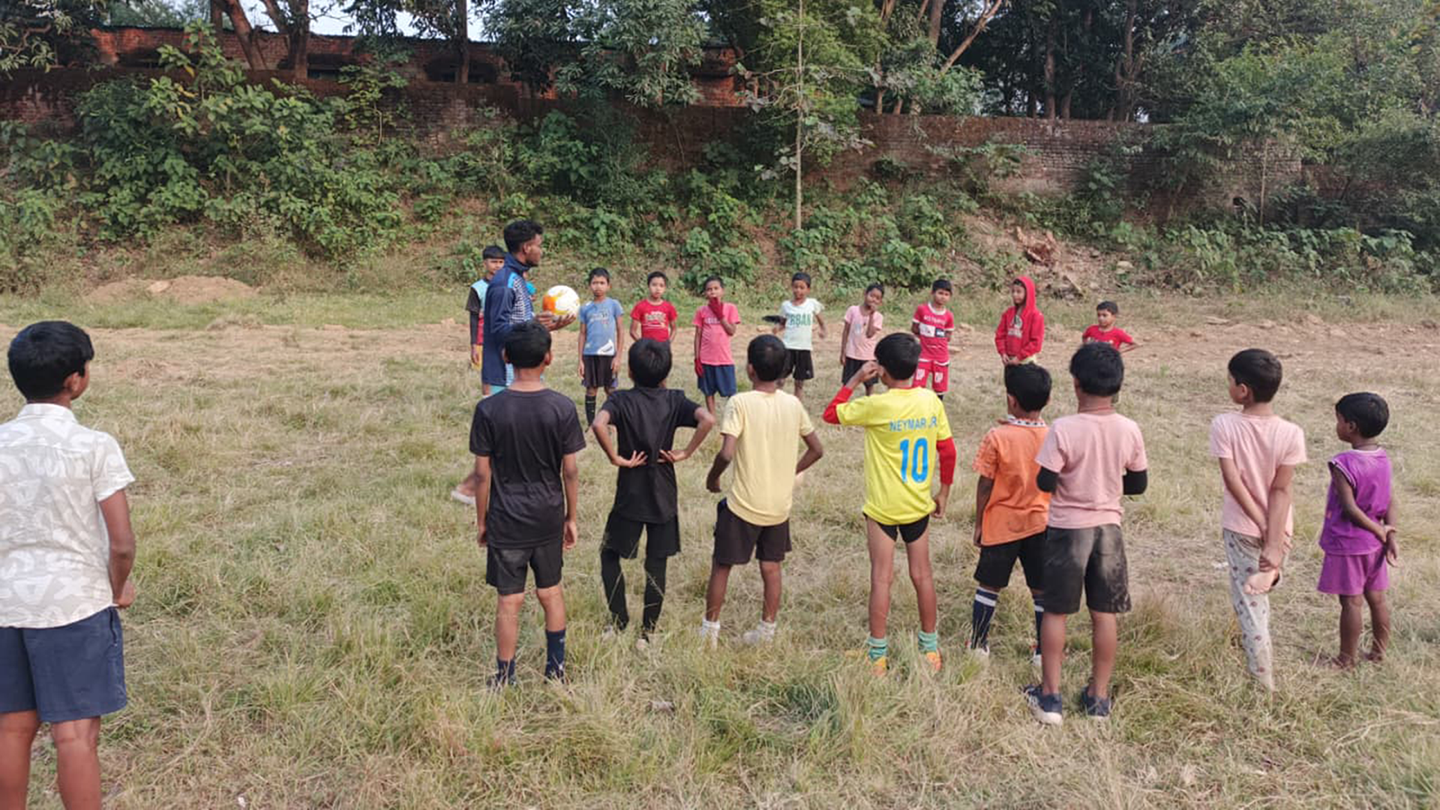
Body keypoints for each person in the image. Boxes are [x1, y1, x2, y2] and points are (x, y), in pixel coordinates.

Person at [1, 321, 137, 810]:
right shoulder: (94, 446)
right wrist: (116, 587)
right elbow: (121, 543)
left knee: (12, 729)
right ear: (76, 380)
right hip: (75, 604)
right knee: (75, 736)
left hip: (6, 604)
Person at [1025, 343, 1147, 724]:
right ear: (1118, 387)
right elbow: (1138, 484)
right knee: (1104, 613)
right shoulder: (1129, 428)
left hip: (1066, 531)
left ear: (1076, 384)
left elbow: (1045, 480)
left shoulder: (1063, 428)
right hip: (1108, 529)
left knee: (1056, 612)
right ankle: (1098, 698)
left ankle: (1050, 697)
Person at [823, 333, 956, 675]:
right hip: (918, 507)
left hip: (882, 509)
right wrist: (943, 492)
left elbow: (830, 414)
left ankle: (877, 657)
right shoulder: (930, 401)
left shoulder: (876, 405)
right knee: (922, 575)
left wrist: (854, 378)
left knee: (881, 579)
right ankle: (930, 651)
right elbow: (948, 450)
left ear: (880, 370)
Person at [470, 321, 586, 687]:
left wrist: (483, 521)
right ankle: (556, 670)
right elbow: (570, 471)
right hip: (549, 515)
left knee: (509, 601)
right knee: (550, 592)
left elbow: (482, 475)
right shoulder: (563, 407)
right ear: (549, 358)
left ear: (505, 357)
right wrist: (572, 517)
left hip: (506, 518)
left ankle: (504, 677)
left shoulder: (489, 409)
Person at [700, 335, 824, 648]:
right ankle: (766, 633)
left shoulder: (739, 402)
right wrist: (790, 470)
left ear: (749, 369)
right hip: (778, 506)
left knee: (722, 565)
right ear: (784, 370)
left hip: (742, 504)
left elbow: (727, 453)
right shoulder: (793, 404)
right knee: (771, 568)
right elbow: (816, 449)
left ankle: (709, 633)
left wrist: (712, 479)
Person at [591, 339, 715, 648]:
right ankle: (648, 632)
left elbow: (597, 423)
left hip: (630, 491)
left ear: (630, 371)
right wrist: (686, 451)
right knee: (657, 563)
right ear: (667, 373)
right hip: (663, 491)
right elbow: (708, 419)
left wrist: (614, 457)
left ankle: (619, 621)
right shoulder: (675, 399)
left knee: (609, 554)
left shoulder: (620, 401)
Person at [1207, 348, 1306, 691]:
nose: (1229, 385)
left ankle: (1263, 684)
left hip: (1241, 528)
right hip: (1281, 526)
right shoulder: (1291, 433)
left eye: (1230, 380)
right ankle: (1273, 569)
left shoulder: (1224, 425)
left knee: (1250, 607)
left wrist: (1260, 525)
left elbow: (1234, 482)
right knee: (1259, 593)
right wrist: (1274, 537)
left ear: (1243, 390)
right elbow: (1281, 490)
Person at [969, 363, 1052, 666]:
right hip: (1041, 523)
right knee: (1041, 590)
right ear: (1048, 400)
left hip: (1001, 524)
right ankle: (1043, 651)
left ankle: (978, 646)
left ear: (1011, 400)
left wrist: (979, 522)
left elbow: (985, 482)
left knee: (988, 586)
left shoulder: (997, 436)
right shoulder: (1053, 435)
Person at [1316, 392, 1395, 669]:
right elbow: (1390, 499)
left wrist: (1377, 529)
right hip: (1376, 544)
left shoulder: (1343, 463)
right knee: (1377, 599)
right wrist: (1388, 532)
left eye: (1338, 420)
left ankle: (1346, 660)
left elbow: (1349, 509)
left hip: (1349, 543)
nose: (1336, 425)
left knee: (1351, 603)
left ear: (1351, 427)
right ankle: (1378, 652)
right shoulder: (1383, 458)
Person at [481, 219, 573, 394]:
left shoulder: (517, 278)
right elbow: (499, 331)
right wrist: (532, 325)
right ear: (526, 248)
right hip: (504, 379)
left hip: (521, 377)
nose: (542, 251)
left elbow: (517, 324)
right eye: (539, 245)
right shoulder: (504, 284)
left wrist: (544, 327)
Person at [452, 245, 507, 506]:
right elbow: (475, 319)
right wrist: (474, 345)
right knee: (490, 392)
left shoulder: (510, 285)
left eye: (500, 262)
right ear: (484, 263)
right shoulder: (478, 288)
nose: (497, 266)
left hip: (503, 345)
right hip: (486, 343)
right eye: (493, 262)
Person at [577, 267, 626, 426]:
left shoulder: (614, 305)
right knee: (591, 389)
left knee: (610, 389)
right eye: (594, 283)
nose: (598, 286)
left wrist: (618, 357)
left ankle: (612, 422)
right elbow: (582, 334)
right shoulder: (585, 308)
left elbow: (620, 330)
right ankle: (591, 424)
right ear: (589, 285)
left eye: (602, 283)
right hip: (590, 355)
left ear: (608, 286)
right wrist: (580, 360)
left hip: (609, 355)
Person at [693, 276, 741, 417]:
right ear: (705, 293)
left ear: (722, 291)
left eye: (716, 288)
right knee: (708, 391)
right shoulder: (701, 310)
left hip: (724, 359)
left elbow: (731, 331)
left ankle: (733, 416)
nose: (712, 292)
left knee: (730, 391)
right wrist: (697, 358)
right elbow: (698, 335)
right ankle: (711, 416)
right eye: (709, 289)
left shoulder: (730, 308)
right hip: (706, 358)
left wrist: (720, 315)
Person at [773, 272, 826, 399]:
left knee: (799, 382)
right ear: (791, 287)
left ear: (808, 289)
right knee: (780, 379)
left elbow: (820, 319)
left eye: (802, 287)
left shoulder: (812, 304)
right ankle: (776, 403)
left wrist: (823, 329)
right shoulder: (786, 305)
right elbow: (783, 323)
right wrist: (776, 329)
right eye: (795, 287)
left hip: (804, 348)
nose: (798, 290)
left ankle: (798, 408)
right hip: (788, 346)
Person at [911, 278, 956, 400]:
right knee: (917, 387)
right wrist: (925, 336)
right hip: (924, 355)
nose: (943, 297)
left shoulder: (948, 316)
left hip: (941, 357)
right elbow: (914, 328)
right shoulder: (922, 310)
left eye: (946, 294)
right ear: (932, 293)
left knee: (939, 389)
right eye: (940, 293)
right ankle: (916, 412)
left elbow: (948, 336)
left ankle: (937, 412)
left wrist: (938, 338)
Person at [841, 283, 885, 396]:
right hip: (852, 354)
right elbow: (846, 331)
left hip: (868, 356)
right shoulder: (852, 310)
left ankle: (869, 404)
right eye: (871, 295)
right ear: (865, 294)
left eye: (877, 298)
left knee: (869, 384)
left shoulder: (878, 317)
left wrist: (871, 315)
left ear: (880, 302)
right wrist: (843, 352)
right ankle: (843, 404)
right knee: (848, 383)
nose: (873, 300)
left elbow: (870, 334)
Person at [994, 276, 1044, 366]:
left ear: (1028, 293)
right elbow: (1000, 335)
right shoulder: (1008, 313)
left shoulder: (1036, 316)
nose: (1014, 294)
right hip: (1009, 359)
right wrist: (1003, 352)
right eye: (1013, 291)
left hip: (1026, 361)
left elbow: (1036, 342)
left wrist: (1019, 357)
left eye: (1019, 292)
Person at [630, 271, 679, 344]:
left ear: (665, 288)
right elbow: (632, 331)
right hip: (647, 349)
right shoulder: (640, 306)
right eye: (654, 285)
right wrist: (643, 344)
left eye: (661, 285)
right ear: (648, 286)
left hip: (662, 348)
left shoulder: (669, 307)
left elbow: (674, 329)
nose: (658, 288)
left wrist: (667, 344)